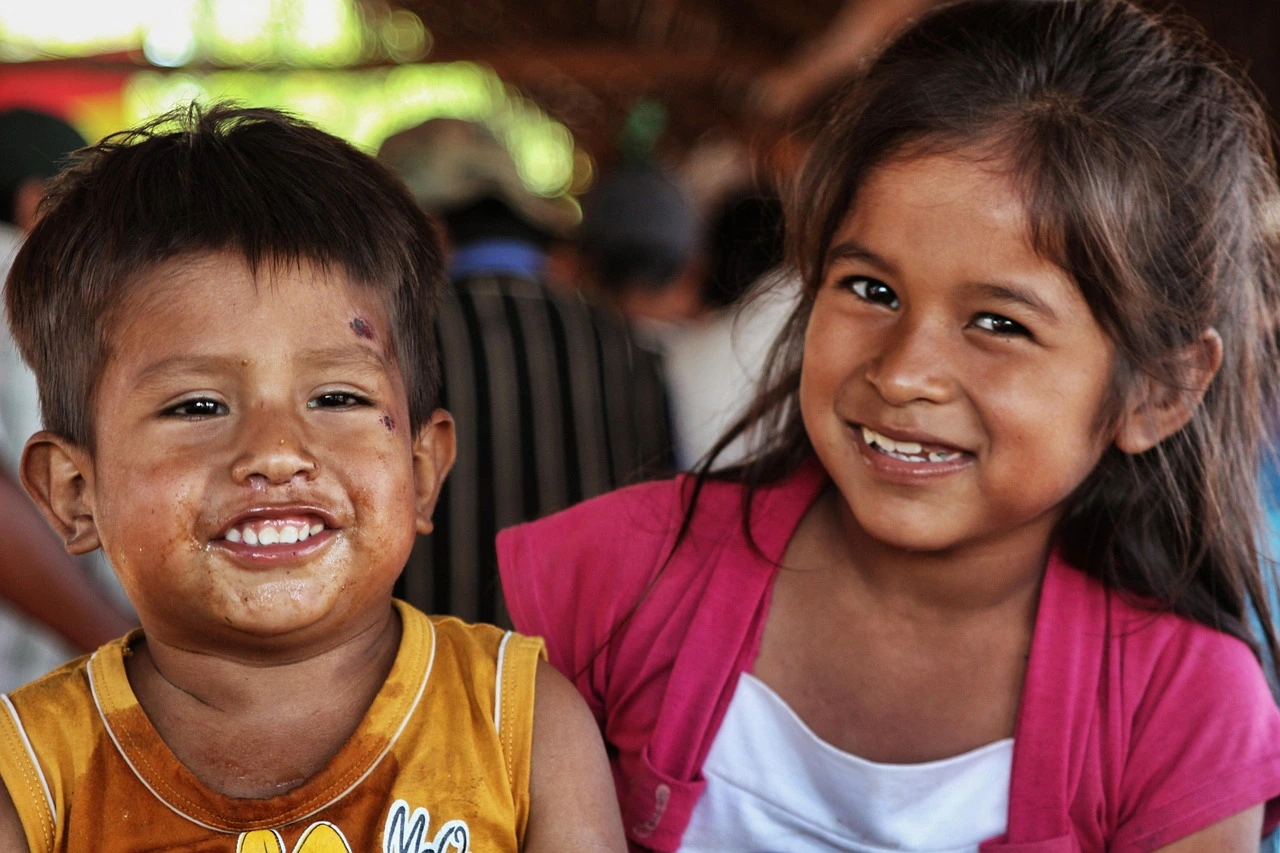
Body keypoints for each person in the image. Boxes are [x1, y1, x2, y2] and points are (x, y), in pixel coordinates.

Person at [498, 0, 1280, 849]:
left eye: (1000, 323)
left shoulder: (1182, 711)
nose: (903, 371)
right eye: (871, 290)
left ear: (1159, 390)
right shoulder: (617, 580)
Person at [0, 103, 625, 852]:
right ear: (72, 492)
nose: (276, 451)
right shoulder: (30, 774)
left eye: (337, 397)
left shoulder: (520, 725)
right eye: (198, 404)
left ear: (422, 469)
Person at [378, 119, 671, 625]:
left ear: (425, 230)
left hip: (430, 674)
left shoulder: (394, 342)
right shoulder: (619, 339)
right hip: (589, 670)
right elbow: (665, 506)